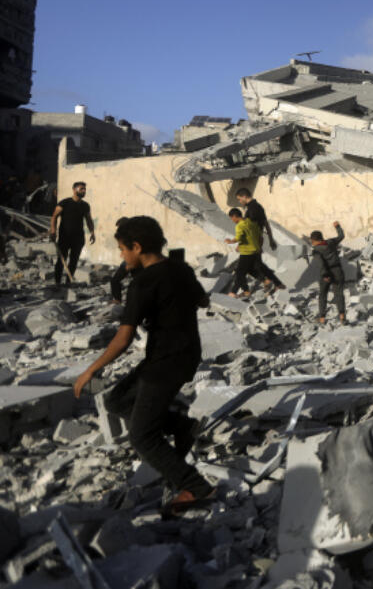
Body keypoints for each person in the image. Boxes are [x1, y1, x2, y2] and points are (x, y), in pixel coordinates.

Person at [72, 216, 214, 517]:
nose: (121, 256)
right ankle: (182, 426)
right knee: (116, 400)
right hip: (185, 354)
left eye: (123, 250)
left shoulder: (142, 284)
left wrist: (90, 369)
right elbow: (203, 300)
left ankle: (197, 488)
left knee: (142, 437)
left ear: (137, 247)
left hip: (165, 362)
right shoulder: (181, 268)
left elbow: (123, 339)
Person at [234, 188, 284, 290]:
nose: (239, 202)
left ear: (244, 196)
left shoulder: (251, 210)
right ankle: (269, 282)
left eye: (239, 199)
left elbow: (249, 230)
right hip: (257, 241)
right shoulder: (259, 207)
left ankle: (273, 283)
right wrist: (271, 239)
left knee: (248, 266)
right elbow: (266, 224)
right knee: (257, 265)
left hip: (253, 242)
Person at [49, 181, 95, 286]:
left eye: (84, 189)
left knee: (74, 261)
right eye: (81, 189)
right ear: (74, 190)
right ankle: (57, 283)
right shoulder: (64, 203)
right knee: (61, 260)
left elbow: (89, 220)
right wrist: (53, 231)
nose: (84, 191)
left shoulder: (85, 205)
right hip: (65, 237)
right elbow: (54, 216)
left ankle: (68, 283)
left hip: (78, 238)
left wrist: (92, 232)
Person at [225, 208, 276, 297]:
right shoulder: (251, 222)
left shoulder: (239, 226)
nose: (232, 221)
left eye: (231, 218)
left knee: (239, 272)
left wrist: (231, 241)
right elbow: (259, 236)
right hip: (255, 251)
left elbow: (238, 237)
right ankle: (265, 280)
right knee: (249, 269)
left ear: (234, 216)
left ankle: (241, 292)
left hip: (247, 252)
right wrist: (259, 247)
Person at [309, 222, 346, 324]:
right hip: (338, 271)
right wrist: (338, 227)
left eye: (312, 241)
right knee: (339, 294)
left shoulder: (316, 250)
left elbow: (321, 263)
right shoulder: (330, 242)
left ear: (314, 240)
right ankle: (342, 317)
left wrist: (325, 275)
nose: (312, 243)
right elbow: (341, 236)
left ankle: (322, 319)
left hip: (326, 273)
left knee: (323, 295)